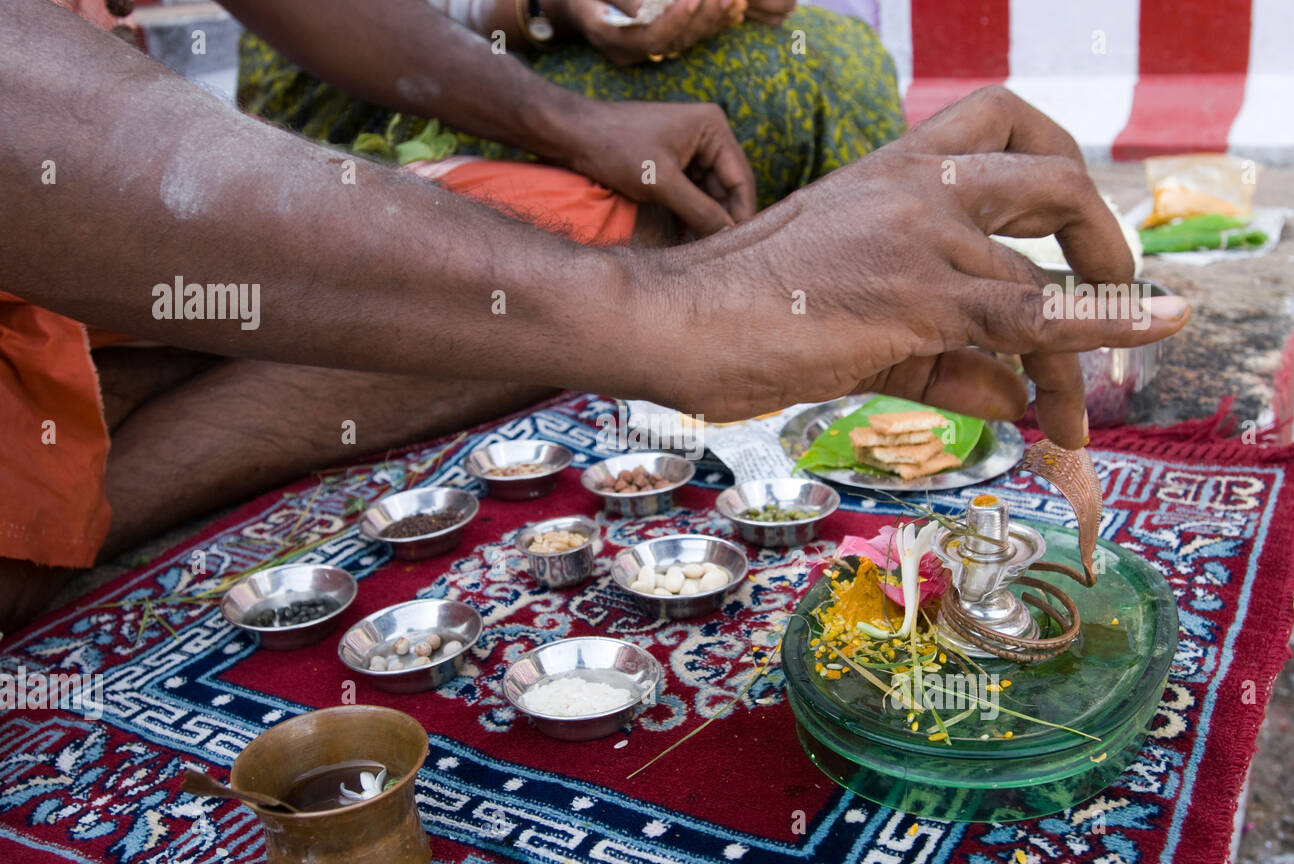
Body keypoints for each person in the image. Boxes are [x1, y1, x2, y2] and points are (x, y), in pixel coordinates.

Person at [0, 0, 1189, 633]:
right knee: (591, 275)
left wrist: (569, 125)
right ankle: (83, 460)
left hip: (95, 205)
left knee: (587, 225)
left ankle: (101, 432)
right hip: (77, 160)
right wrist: (654, 312)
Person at [235, 0, 904, 218]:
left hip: (563, 41)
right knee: (768, 86)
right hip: (371, 77)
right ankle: (693, 330)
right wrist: (546, 9)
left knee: (843, 53)